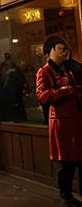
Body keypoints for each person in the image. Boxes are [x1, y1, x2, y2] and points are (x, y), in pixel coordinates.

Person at [36, 36, 82, 206]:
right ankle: (66, 195)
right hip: (62, 123)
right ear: (51, 50)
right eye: (60, 49)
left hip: (76, 119)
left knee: (79, 159)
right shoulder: (44, 71)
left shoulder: (68, 69)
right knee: (68, 161)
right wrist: (65, 91)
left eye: (65, 49)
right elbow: (42, 96)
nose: (64, 53)